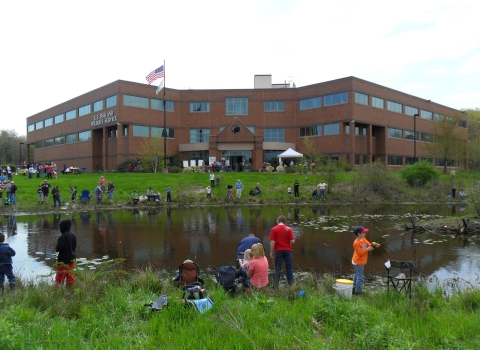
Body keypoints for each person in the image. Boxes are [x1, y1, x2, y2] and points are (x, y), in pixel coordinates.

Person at [352, 226, 379, 295]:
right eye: (363, 232)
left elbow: (369, 244)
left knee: (356, 275)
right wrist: (367, 249)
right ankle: (358, 292)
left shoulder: (363, 239)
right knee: (360, 277)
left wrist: (375, 245)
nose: (365, 234)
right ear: (359, 234)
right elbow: (360, 253)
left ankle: (354, 287)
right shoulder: (356, 243)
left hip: (359, 261)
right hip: (358, 262)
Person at [269, 215, 295, 286]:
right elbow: (292, 241)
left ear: (278, 221)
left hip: (279, 251)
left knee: (277, 268)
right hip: (288, 251)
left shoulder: (274, 229)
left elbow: (272, 242)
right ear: (285, 222)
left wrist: (271, 252)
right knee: (289, 268)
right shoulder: (289, 229)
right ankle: (291, 285)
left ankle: (275, 286)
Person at [55, 219, 77, 287]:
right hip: (71, 259)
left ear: (63, 227)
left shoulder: (62, 237)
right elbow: (74, 247)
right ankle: (70, 288)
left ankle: (58, 288)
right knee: (70, 275)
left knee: (60, 275)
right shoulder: (73, 236)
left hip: (63, 260)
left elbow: (58, 248)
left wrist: (56, 249)